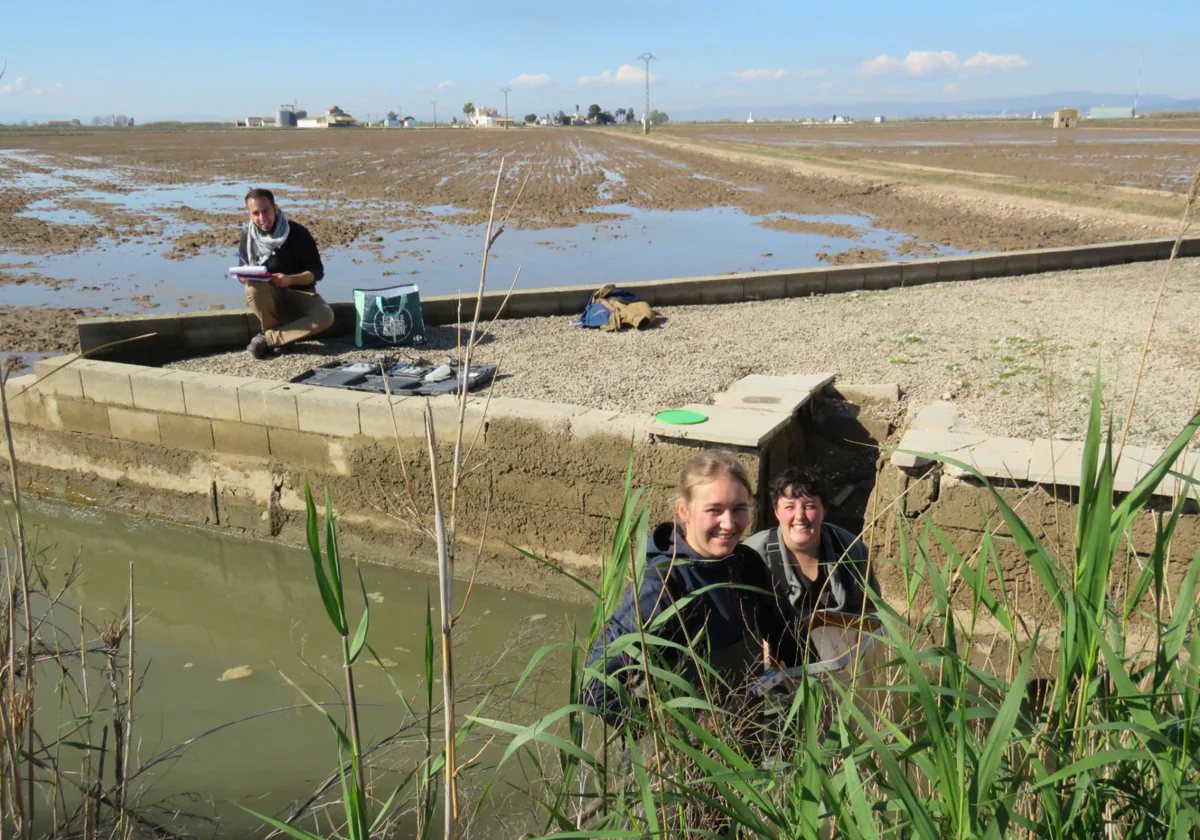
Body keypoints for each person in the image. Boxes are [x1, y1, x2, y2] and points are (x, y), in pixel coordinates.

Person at [582, 452, 801, 724]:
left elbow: (792, 642)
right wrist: (659, 730)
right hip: (681, 754)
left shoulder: (748, 564)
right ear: (683, 511)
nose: (729, 523)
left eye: (739, 509)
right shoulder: (662, 585)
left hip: (745, 735)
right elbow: (596, 684)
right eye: (714, 510)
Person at [742, 467, 879, 629]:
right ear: (776, 512)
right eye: (789, 507)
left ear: (824, 510)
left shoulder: (850, 549)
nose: (799, 516)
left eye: (809, 506)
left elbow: (872, 612)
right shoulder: (753, 555)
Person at [238, 187, 335, 360]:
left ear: (275, 208)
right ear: (249, 215)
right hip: (270, 298)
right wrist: (244, 276)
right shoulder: (247, 238)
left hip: (300, 294)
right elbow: (244, 274)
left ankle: (269, 339)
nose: (262, 218)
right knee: (252, 287)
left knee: (326, 316)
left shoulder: (297, 233)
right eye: (256, 213)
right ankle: (280, 339)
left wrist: (289, 280)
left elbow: (316, 273)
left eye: (266, 211)